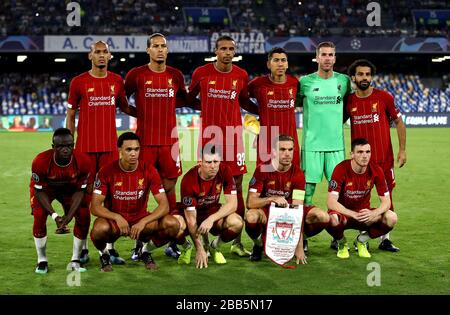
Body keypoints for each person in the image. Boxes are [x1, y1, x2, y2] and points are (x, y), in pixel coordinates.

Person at [187, 35, 257, 257]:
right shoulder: (201, 73)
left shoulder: (241, 75)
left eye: (231, 49)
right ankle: (205, 242)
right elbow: (190, 98)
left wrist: (262, 110)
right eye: (223, 48)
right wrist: (206, 105)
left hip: (234, 138)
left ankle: (236, 242)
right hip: (209, 138)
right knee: (205, 188)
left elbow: (244, 101)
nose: (228, 52)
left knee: (237, 186)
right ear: (215, 51)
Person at [66, 40, 134, 265]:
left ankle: (110, 248)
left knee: (113, 200)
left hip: (109, 152)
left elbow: (126, 107)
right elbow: (71, 115)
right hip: (84, 151)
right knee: (84, 202)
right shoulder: (78, 82)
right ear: (90, 56)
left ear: (110, 55)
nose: (102, 55)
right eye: (97, 52)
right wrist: (68, 144)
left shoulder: (117, 81)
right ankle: (83, 248)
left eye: (105, 52)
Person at [124, 33, 188, 260]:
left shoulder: (175, 76)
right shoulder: (136, 75)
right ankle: (138, 243)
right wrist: (137, 112)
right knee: (139, 191)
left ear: (167, 50)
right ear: (148, 50)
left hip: (169, 143)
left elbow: (184, 99)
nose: (160, 50)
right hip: (145, 144)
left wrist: (169, 106)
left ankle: (171, 240)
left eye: (164, 46)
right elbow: (123, 99)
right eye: (156, 46)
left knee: (170, 188)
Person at [89, 132, 180, 272]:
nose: (133, 153)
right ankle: (104, 254)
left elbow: (164, 205)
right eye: (128, 149)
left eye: (136, 149)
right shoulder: (106, 171)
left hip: (140, 219)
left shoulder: (149, 170)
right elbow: (94, 207)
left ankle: (145, 251)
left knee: (173, 225)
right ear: (119, 150)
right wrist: (117, 217)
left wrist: (143, 222)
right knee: (98, 230)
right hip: (115, 222)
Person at [346, 59, 406, 252]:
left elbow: (399, 122)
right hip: (359, 163)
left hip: (383, 161)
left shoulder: (384, 97)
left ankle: (384, 239)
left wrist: (402, 150)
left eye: (368, 74)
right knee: (353, 198)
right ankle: (339, 233)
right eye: (361, 74)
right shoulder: (350, 101)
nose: (365, 78)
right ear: (353, 77)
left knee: (387, 199)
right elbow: (335, 122)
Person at [245, 135, 329, 263]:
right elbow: (250, 203)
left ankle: (295, 241)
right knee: (251, 216)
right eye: (282, 149)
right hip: (268, 213)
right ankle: (258, 244)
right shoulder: (263, 169)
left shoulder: (298, 174)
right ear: (273, 152)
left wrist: (299, 246)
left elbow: (298, 209)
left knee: (323, 217)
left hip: (289, 214)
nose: (287, 154)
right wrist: (271, 199)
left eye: (290, 150)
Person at [297, 41, 351, 206]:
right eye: (324, 54)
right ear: (317, 58)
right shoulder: (305, 82)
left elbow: (349, 106)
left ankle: (339, 229)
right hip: (312, 145)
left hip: (336, 145)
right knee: (305, 192)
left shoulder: (344, 81)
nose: (327, 58)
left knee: (340, 191)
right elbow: (294, 103)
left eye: (330, 55)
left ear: (335, 58)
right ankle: (301, 230)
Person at [30, 128, 91, 273]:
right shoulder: (40, 161)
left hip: (70, 190)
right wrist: (55, 215)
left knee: (83, 215)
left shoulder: (83, 161)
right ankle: (42, 260)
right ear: (53, 147)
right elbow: (39, 191)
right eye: (61, 146)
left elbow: (80, 191)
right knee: (39, 216)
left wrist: (69, 216)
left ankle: (75, 259)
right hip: (45, 191)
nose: (66, 149)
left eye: (69, 146)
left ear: (73, 145)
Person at [326, 138, 398, 259]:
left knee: (391, 217)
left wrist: (373, 213)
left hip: (364, 216)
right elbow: (331, 202)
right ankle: (341, 243)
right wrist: (352, 214)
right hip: (344, 215)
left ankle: (362, 240)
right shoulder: (341, 169)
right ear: (352, 154)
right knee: (332, 219)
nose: (364, 156)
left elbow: (386, 202)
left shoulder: (376, 170)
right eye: (360, 152)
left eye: (367, 152)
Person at [177, 144, 244, 268]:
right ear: (200, 162)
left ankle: (214, 247)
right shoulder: (188, 180)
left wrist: (211, 219)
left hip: (211, 212)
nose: (213, 166)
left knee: (237, 222)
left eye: (215, 161)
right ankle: (187, 247)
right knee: (175, 225)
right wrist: (200, 249)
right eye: (208, 162)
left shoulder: (225, 170)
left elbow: (233, 204)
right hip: (191, 214)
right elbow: (191, 220)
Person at [248, 47, 300, 166]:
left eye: (283, 60)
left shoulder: (294, 83)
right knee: (266, 180)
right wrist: (258, 111)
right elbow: (242, 98)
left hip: (290, 143)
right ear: (268, 64)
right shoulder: (258, 83)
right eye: (276, 60)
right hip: (267, 143)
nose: (280, 64)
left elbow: (300, 100)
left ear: (287, 64)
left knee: (290, 182)